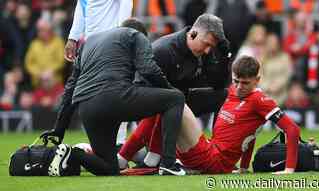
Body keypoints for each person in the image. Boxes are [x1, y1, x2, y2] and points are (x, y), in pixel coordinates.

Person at [40, 18, 186, 176]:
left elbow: (70, 88)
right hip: (114, 97)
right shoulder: (136, 35)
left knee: (109, 168)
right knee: (176, 98)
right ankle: (168, 164)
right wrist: (168, 90)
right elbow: (148, 69)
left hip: (87, 108)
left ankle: (72, 153)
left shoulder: (89, 42)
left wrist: (59, 129)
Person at [120, 56, 301, 174]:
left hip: (213, 160)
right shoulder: (232, 92)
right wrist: (244, 168)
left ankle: (132, 156)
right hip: (209, 151)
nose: (238, 87)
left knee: (172, 100)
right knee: (167, 102)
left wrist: (289, 169)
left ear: (257, 80)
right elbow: (250, 135)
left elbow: (292, 129)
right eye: (236, 81)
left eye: (245, 83)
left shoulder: (260, 100)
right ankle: (139, 156)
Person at [117, 13, 232, 168]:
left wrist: (225, 57)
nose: (207, 51)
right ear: (193, 34)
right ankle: (150, 157)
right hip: (153, 111)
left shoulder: (204, 52)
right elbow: (142, 92)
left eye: (211, 47)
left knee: (224, 95)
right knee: (172, 100)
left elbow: (217, 85)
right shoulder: (163, 50)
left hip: (181, 102)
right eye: (206, 44)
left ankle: (217, 149)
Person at [64, 0, 133, 143]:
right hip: (91, 45)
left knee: (117, 92)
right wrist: (73, 37)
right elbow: (81, 6)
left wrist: (120, 33)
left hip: (112, 42)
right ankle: (102, 144)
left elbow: (126, 2)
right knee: (93, 95)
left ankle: (120, 143)